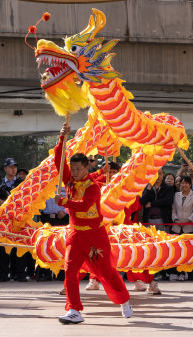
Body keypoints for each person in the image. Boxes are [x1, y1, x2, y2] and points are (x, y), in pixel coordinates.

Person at [53, 122, 131, 324]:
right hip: (75, 235)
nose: (75, 172)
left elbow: (84, 206)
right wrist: (62, 138)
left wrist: (63, 201)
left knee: (106, 272)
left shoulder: (93, 187)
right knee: (70, 272)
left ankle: (124, 300)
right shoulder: (70, 180)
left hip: (94, 236)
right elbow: (58, 160)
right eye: (73, 169)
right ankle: (74, 311)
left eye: (79, 169)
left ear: (87, 167)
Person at [0, 157, 30, 282]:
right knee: (3, 247)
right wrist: (7, 205)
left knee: (19, 245)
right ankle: (3, 274)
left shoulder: (21, 182)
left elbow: (25, 198)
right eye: (10, 167)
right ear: (5, 168)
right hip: (3, 219)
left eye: (15, 167)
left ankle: (20, 273)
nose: (13, 169)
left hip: (18, 218)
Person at [171, 174, 193, 281]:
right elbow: (173, 209)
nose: (183, 185)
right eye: (182, 183)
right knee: (178, 251)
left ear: (190, 184)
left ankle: (191, 273)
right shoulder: (176, 195)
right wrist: (176, 219)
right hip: (177, 227)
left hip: (189, 227)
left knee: (190, 251)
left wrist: (188, 220)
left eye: (185, 183)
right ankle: (178, 273)